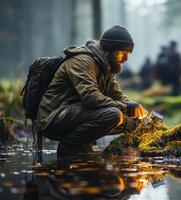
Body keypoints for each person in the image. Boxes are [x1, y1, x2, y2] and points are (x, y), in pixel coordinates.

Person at [35, 25, 146, 156]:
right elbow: (91, 97)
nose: (125, 59)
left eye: (127, 54)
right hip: (54, 117)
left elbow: (116, 94)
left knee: (131, 123)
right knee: (113, 115)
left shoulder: (105, 65)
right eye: (122, 53)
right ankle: (69, 147)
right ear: (109, 50)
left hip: (73, 114)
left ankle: (84, 144)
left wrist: (135, 108)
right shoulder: (81, 61)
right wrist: (126, 108)